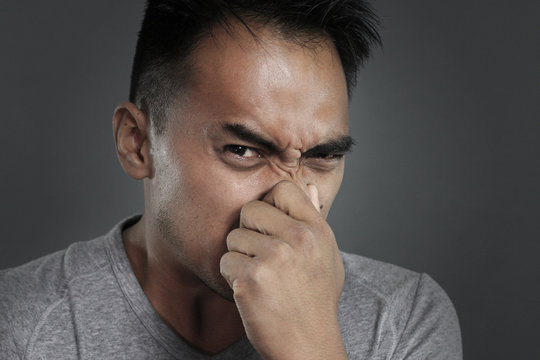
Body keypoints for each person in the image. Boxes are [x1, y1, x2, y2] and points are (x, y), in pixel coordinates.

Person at [0, 0, 462, 359]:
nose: (289, 199)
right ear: (137, 143)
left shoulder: (403, 317)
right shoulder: (20, 320)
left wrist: (312, 347)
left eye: (322, 157)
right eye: (243, 151)